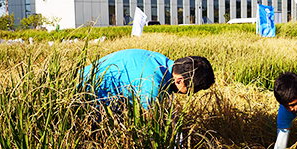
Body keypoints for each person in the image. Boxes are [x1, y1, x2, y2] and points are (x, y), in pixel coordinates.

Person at [81, 48, 215, 110]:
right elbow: (150, 129)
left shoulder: (160, 61)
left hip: (81, 82)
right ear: (179, 80)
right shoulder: (153, 86)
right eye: (192, 90)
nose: (190, 95)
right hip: (83, 96)